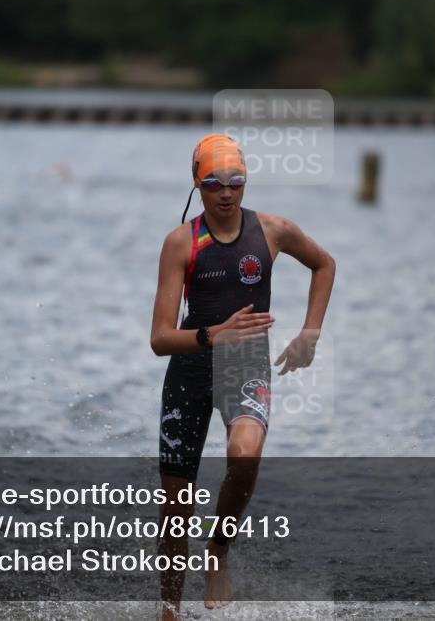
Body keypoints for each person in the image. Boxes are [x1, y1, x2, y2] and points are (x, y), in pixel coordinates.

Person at [149, 133, 336, 619]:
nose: (226, 192)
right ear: (198, 184)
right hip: (189, 373)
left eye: (236, 182)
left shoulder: (273, 231)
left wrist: (309, 333)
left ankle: (219, 551)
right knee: (176, 510)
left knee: (245, 454)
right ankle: (169, 610)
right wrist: (214, 334)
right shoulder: (181, 244)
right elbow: (159, 338)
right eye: (214, 183)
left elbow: (324, 264)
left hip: (246, 368)